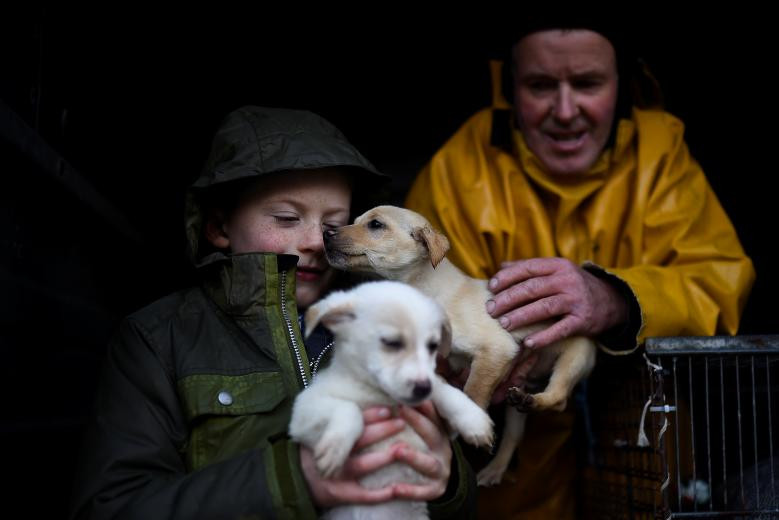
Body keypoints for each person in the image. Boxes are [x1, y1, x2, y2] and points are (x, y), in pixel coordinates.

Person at [405, 16, 756, 519]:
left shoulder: (660, 150)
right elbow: (418, 317)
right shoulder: (459, 168)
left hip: (647, 481)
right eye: (541, 85)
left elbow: (719, 281)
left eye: (587, 84)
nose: (565, 111)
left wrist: (614, 298)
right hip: (507, 489)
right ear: (508, 88)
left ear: (623, 84)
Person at [70, 106, 476, 519]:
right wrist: (293, 480)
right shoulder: (158, 339)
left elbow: (463, 497)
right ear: (219, 226)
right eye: (287, 218)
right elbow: (109, 508)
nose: (317, 241)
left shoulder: (386, 317)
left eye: (335, 223)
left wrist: (449, 482)